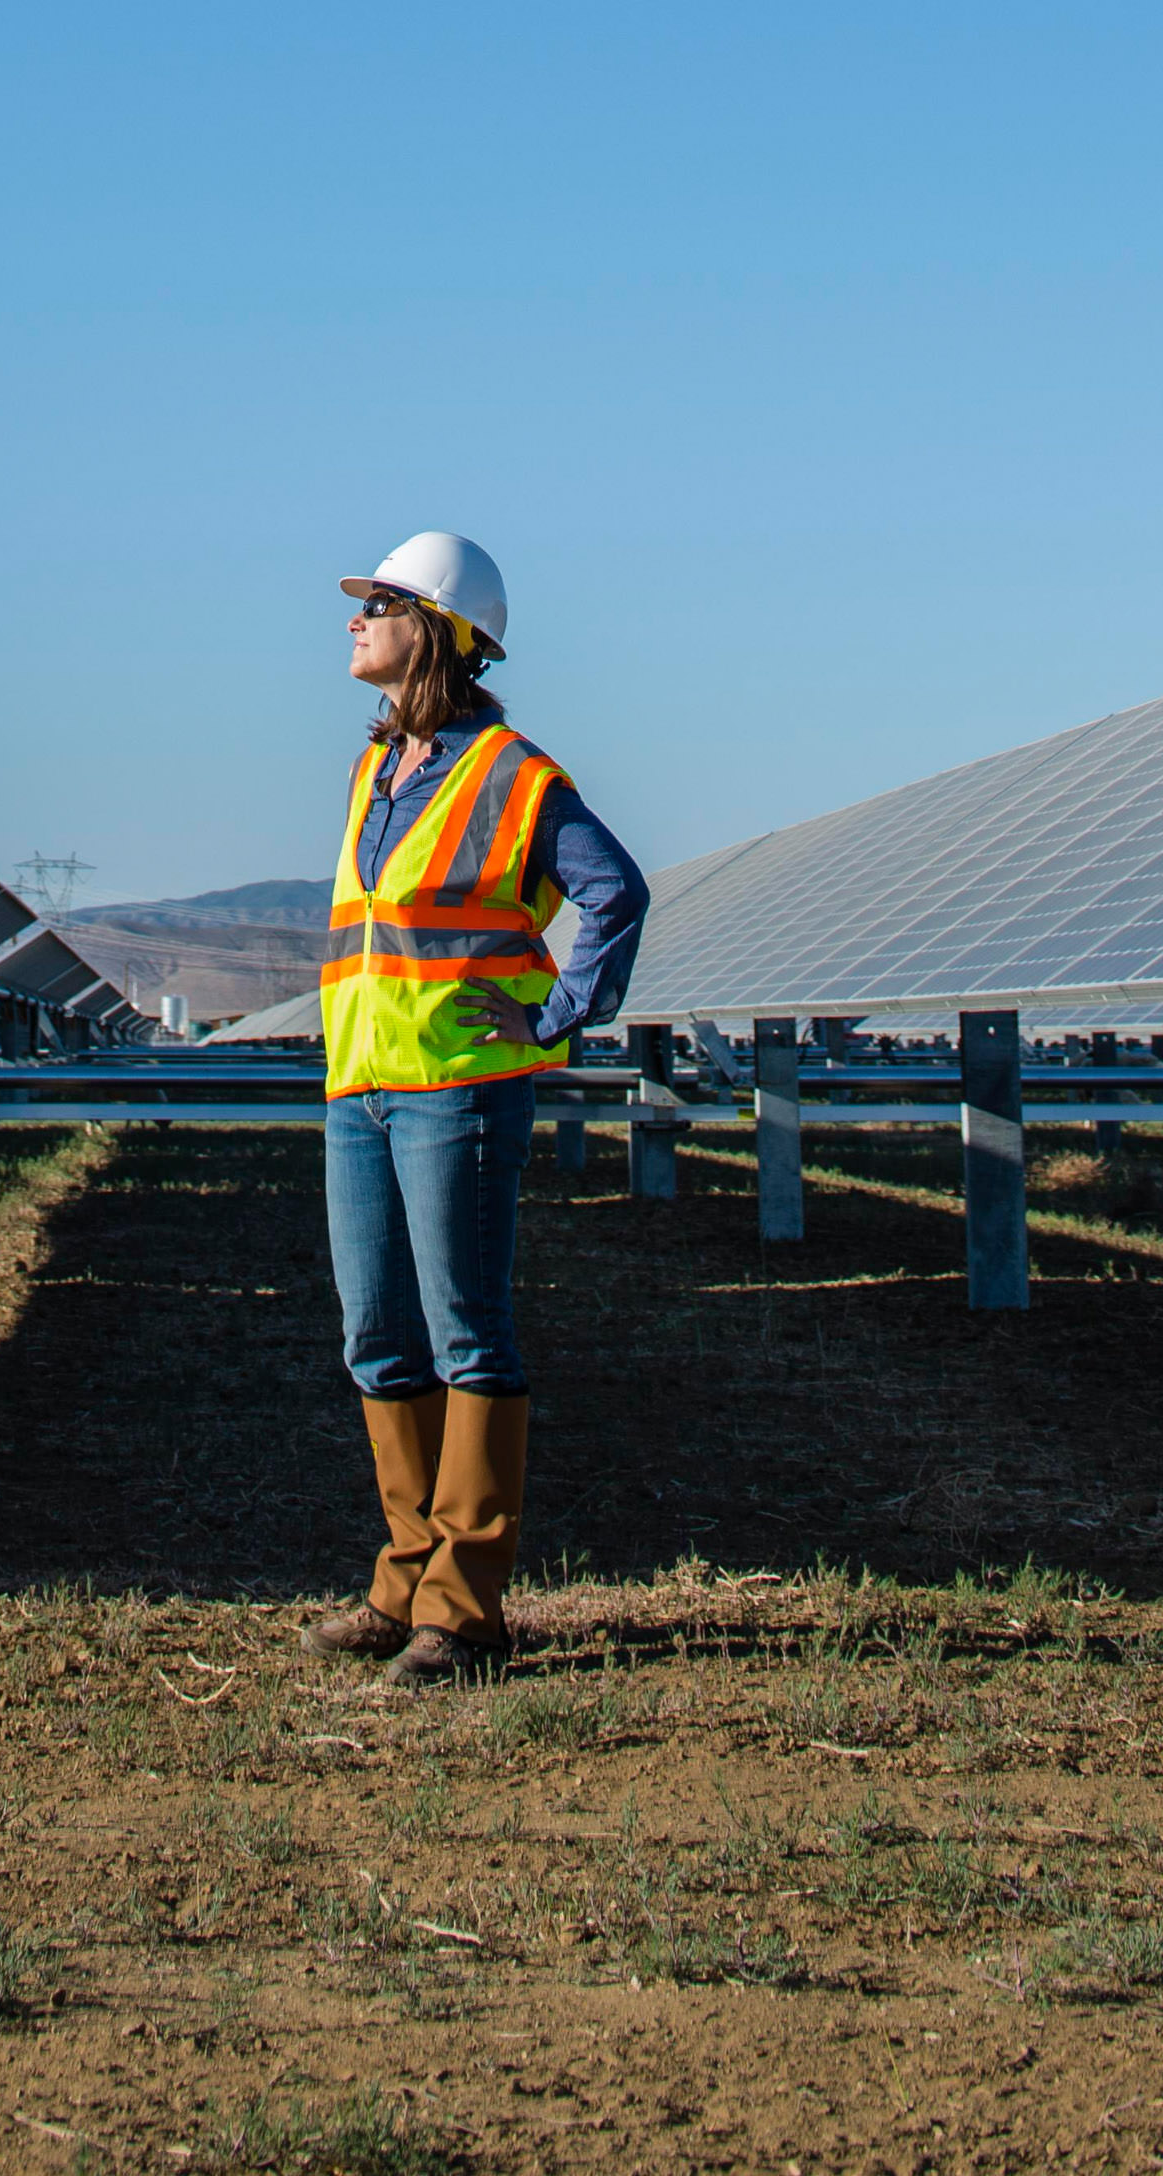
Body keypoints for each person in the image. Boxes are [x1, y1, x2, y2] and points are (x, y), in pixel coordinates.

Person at [299, 532, 650, 1687]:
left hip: (457, 1091)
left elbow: (613, 892)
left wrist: (552, 1018)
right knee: (373, 1335)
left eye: (379, 604)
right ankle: (404, 1577)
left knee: (465, 1333)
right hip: (360, 1089)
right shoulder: (369, 771)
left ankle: (467, 1606)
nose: (354, 621)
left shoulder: (512, 775)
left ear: (438, 633)